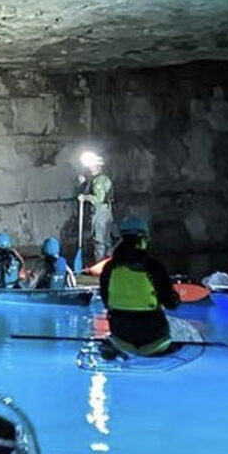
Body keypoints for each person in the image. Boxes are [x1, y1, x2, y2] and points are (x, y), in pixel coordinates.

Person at [99, 217, 181, 356]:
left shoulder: (109, 268)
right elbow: (171, 304)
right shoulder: (154, 268)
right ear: (144, 239)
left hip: (121, 337)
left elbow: (107, 302)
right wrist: (176, 298)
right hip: (155, 339)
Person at [77, 150, 114, 265]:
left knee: (99, 241)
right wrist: (83, 184)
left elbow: (98, 199)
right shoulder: (99, 179)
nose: (89, 168)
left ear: (98, 166)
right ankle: (109, 265)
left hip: (100, 213)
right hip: (105, 212)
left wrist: (85, 197)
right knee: (107, 241)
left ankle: (100, 266)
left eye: (91, 165)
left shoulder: (99, 181)